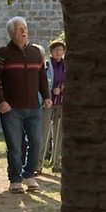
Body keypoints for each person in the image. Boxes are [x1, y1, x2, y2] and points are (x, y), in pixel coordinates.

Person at [0, 16, 51, 193]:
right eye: (19, 29)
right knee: (15, 146)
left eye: (25, 28)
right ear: (11, 33)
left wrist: (46, 96)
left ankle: (29, 175)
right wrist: (1, 102)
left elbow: (41, 77)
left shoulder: (36, 53)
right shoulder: (2, 53)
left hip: (34, 107)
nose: (24, 31)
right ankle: (15, 179)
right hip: (11, 110)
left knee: (36, 142)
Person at [38, 38, 66, 173]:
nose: (58, 52)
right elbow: (41, 83)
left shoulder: (66, 65)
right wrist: (51, 92)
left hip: (61, 104)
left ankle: (56, 163)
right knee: (44, 133)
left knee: (59, 134)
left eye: (60, 49)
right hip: (48, 103)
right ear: (51, 51)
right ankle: (38, 165)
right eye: (56, 49)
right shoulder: (46, 65)